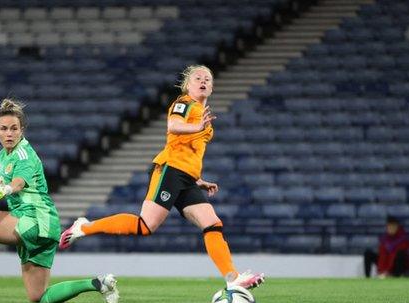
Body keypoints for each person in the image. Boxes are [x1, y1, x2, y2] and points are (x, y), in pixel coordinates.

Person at [60, 65, 265, 290]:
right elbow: (173, 126)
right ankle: (84, 227)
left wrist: (198, 179)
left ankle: (233, 279)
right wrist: (196, 126)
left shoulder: (205, 120)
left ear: (212, 87)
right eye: (198, 78)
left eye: (208, 78)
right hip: (169, 170)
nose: (203, 81)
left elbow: (190, 152)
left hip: (187, 177)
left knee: (213, 224)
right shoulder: (184, 103)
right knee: (145, 225)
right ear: (188, 85)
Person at [0, 98, 118, 303]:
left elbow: (17, 183)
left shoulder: (23, 153)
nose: (9, 133)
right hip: (47, 225)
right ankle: (97, 283)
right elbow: (1, 183)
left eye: (14, 128)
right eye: (4, 128)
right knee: (39, 296)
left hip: (32, 218)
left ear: (22, 130)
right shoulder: (4, 155)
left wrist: (7, 190)